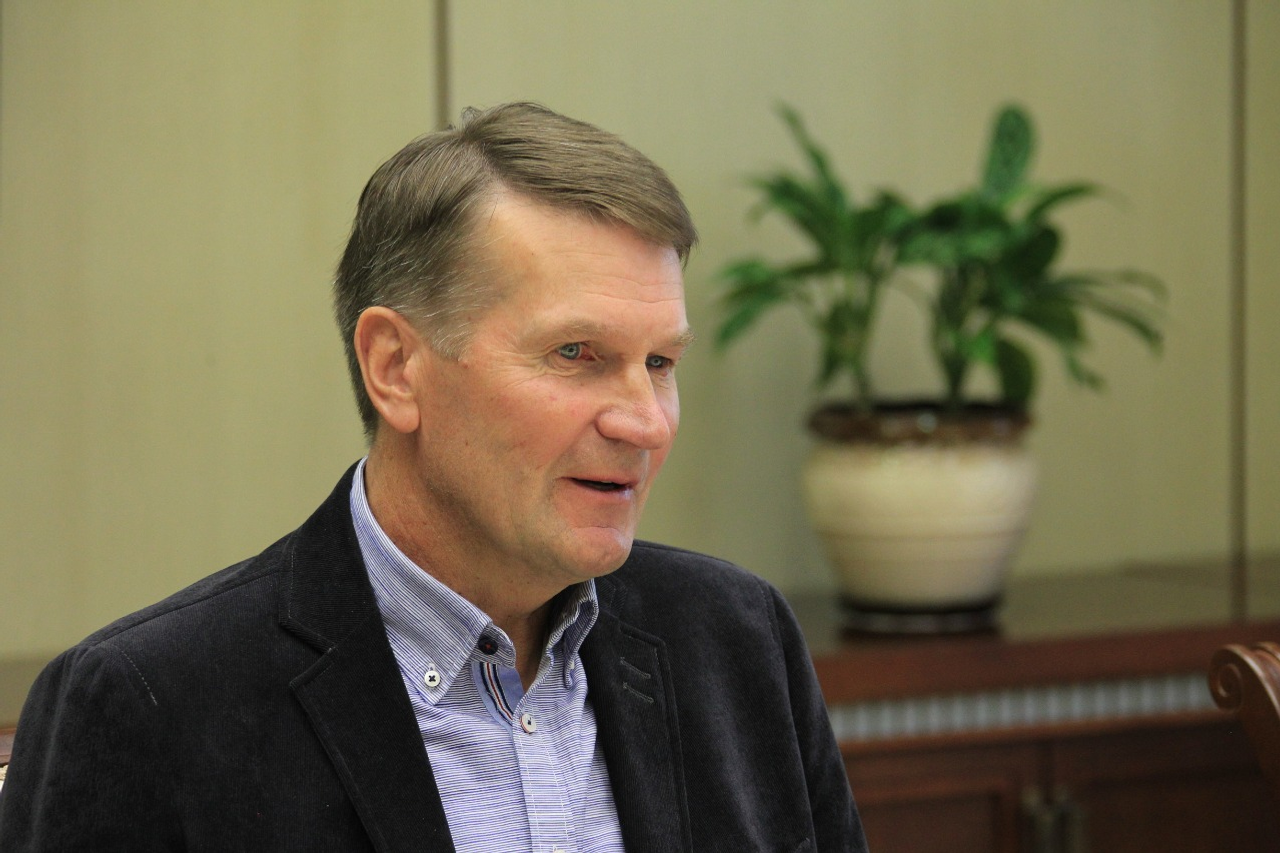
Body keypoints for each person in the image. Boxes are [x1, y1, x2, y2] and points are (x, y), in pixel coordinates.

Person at [0, 102, 867, 852]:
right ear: (396, 367)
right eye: (577, 353)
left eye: (660, 363)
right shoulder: (150, 704)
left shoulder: (739, 639)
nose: (645, 422)